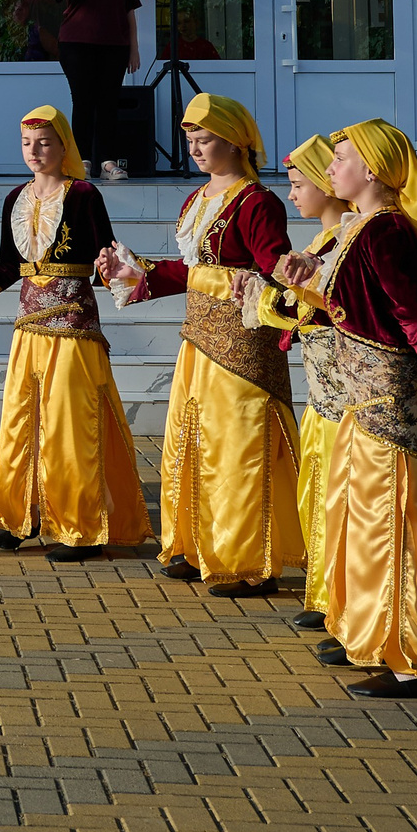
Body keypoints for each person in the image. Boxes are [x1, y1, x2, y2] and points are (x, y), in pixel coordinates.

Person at [278, 120, 417, 700]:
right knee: (371, 526)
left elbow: (407, 309)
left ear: (375, 171)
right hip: (365, 401)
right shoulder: (361, 228)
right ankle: (388, 645)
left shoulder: (385, 230)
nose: (329, 170)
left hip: (389, 404)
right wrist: (304, 286)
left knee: (396, 527)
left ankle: (414, 662)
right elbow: (357, 307)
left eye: (342, 158)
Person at [101, 92, 299, 596]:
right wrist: (135, 271)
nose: (194, 147)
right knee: (189, 443)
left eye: (204, 138)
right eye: (189, 139)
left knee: (238, 449)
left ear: (235, 141)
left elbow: (270, 271)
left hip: (242, 345)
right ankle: (193, 544)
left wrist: (257, 286)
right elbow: (193, 272)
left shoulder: (258, 202)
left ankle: (247, 561)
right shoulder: (199, 198)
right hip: (198, 341)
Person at [0, 106, 149, 560]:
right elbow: (9, 265)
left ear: (64, 145)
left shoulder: (83, 195)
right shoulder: (14, 199)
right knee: (24, 423)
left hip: (74, 329)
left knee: (70, 425)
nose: (34, 151)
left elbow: (107, 255)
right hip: (29, 331)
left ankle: (80, 528)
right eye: (26, 143)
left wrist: (117, 273)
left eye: (44, 142)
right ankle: (22, 516)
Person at [244, 134, 350, 636]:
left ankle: (345, 602)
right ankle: (327, 592)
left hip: (348, 395)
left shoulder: (349, 239)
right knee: (318, 493)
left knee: (342, 497)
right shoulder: (321, 243)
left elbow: (326, 308)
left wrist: (277, 295)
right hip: (324, 395)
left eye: (299, 183)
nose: (292, 195)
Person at [47, 0, 141, 181]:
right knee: (84, 101)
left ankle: (108, 162)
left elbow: (129, 11)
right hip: (77, 44)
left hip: (114, 46)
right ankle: (83, 160)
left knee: (109, 103)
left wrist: (134, 49)